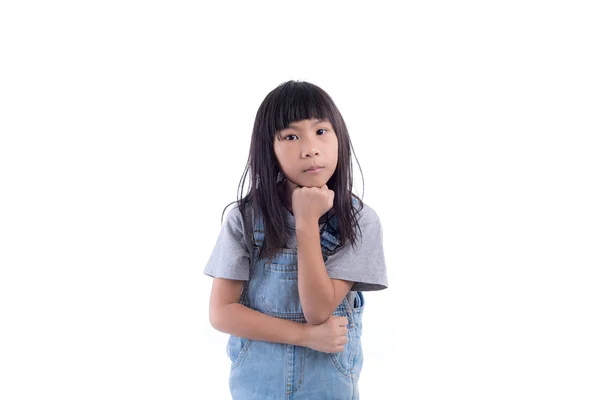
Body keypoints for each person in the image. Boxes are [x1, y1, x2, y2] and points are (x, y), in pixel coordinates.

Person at [204, 80, 388, 399]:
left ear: (339, 137)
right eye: (291, 136)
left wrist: (306, 221)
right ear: (269, 149)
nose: (310, 148)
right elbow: (222, 312)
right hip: (257, 388)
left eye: (320, 131)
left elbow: (318, 310)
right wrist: (304, 335)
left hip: (326, 389)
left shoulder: (358, 221)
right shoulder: (244, 220)